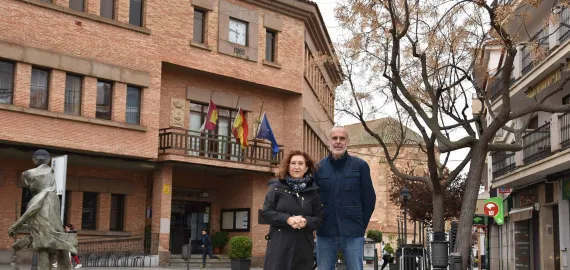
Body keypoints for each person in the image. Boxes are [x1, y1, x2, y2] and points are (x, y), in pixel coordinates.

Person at [315, 126, 376, 270]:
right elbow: (313, 199)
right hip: (325, 231)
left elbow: (369, 199)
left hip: (353, 232)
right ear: (329, 141)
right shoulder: (318, 168)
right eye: (334, 138)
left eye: (342, 138)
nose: (338, 142)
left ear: (347, 141)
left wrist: (360, 226)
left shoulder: (360, 166)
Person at [261, 150, 323, 270]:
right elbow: (266, 212)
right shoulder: (276, 188)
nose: (296, 167)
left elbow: (319, 218)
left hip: (303, 248)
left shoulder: (313, 191)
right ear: (288, 166)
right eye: (293, 163)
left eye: (300, 163)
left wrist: (306, 222)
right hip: (279, 247)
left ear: (306, 168)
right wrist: (287, 219)